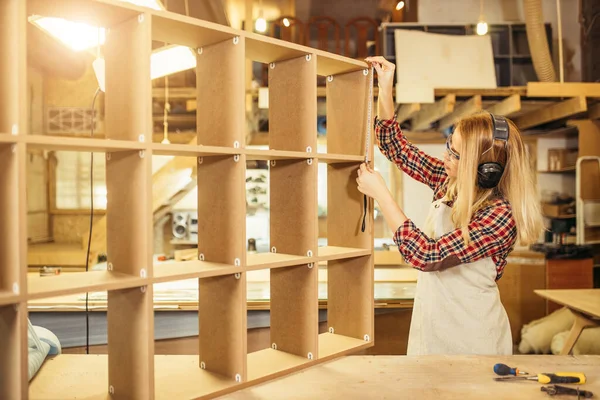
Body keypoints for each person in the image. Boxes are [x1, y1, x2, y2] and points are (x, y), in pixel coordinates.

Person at [357, 56, 544, 355]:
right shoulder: (451, 183)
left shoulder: (499, 216)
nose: (446, 157)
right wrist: (386, 87)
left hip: (473, 336)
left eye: (456, 155)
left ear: (485, 169)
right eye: (449, 145)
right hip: (436, 325)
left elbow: (426, 255)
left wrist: (382, 195)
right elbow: (397, 149)